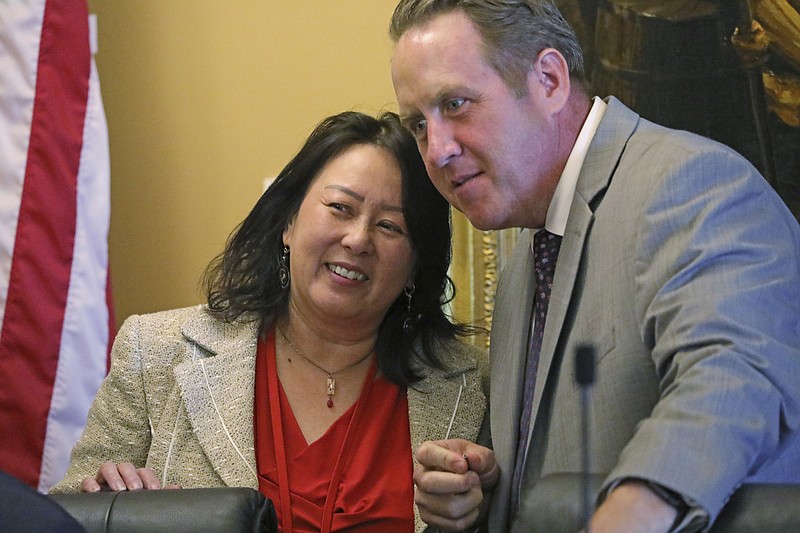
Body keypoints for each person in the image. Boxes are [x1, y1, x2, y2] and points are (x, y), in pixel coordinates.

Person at [389, 1, 800, 531]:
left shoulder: (692, 183)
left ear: (550, 80)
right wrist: (485, 492)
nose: (438, 150)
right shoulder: (527, 262)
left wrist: (633, 510)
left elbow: (737, 378)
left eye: (457, 104)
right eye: (419, 125)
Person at [50, 110, 490, 533]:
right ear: (288, 222)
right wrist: (106, 505)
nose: (357, 239)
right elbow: (63, 517)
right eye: (340, 207)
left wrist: (475, 516)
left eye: (390, 227)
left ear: (417, 264)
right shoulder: (155, 352)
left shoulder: (475, 387)